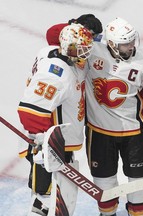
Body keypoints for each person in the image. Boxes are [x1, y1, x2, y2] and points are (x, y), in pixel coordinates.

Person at [85, 17, 143, 216]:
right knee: (104, 183)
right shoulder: (92, 52)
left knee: (139, 182)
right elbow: (67, 45)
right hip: (100, 131)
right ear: (112, 44)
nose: (131, 47)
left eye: (133, 42)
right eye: (125, 44)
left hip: (135, 132)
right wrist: (77, 26)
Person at [17, 23, 94, 215]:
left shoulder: (59, 55)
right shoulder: (55, 71)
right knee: (43, 198)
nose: (84, 54)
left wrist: (74, 24)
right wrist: (45, 144)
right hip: (47, 146)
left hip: (59, 144)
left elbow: (53, 34)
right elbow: (30, 110)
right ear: (67, 47)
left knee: (61, 200)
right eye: (80, 49)